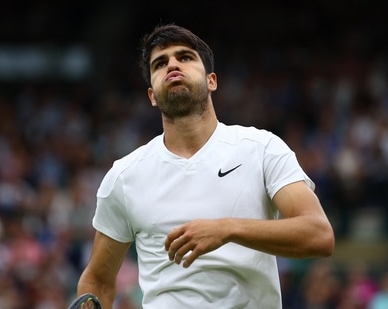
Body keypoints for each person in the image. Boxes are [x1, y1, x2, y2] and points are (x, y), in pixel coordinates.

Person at [76, 23, 334, 308]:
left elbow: (318, 234)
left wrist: (227, 229)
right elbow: (98, 279)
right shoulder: (124, 176)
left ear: (212, 80)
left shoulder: (261, 149)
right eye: (160, 63)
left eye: (185, 57)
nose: (172, 65)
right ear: (152, 95)